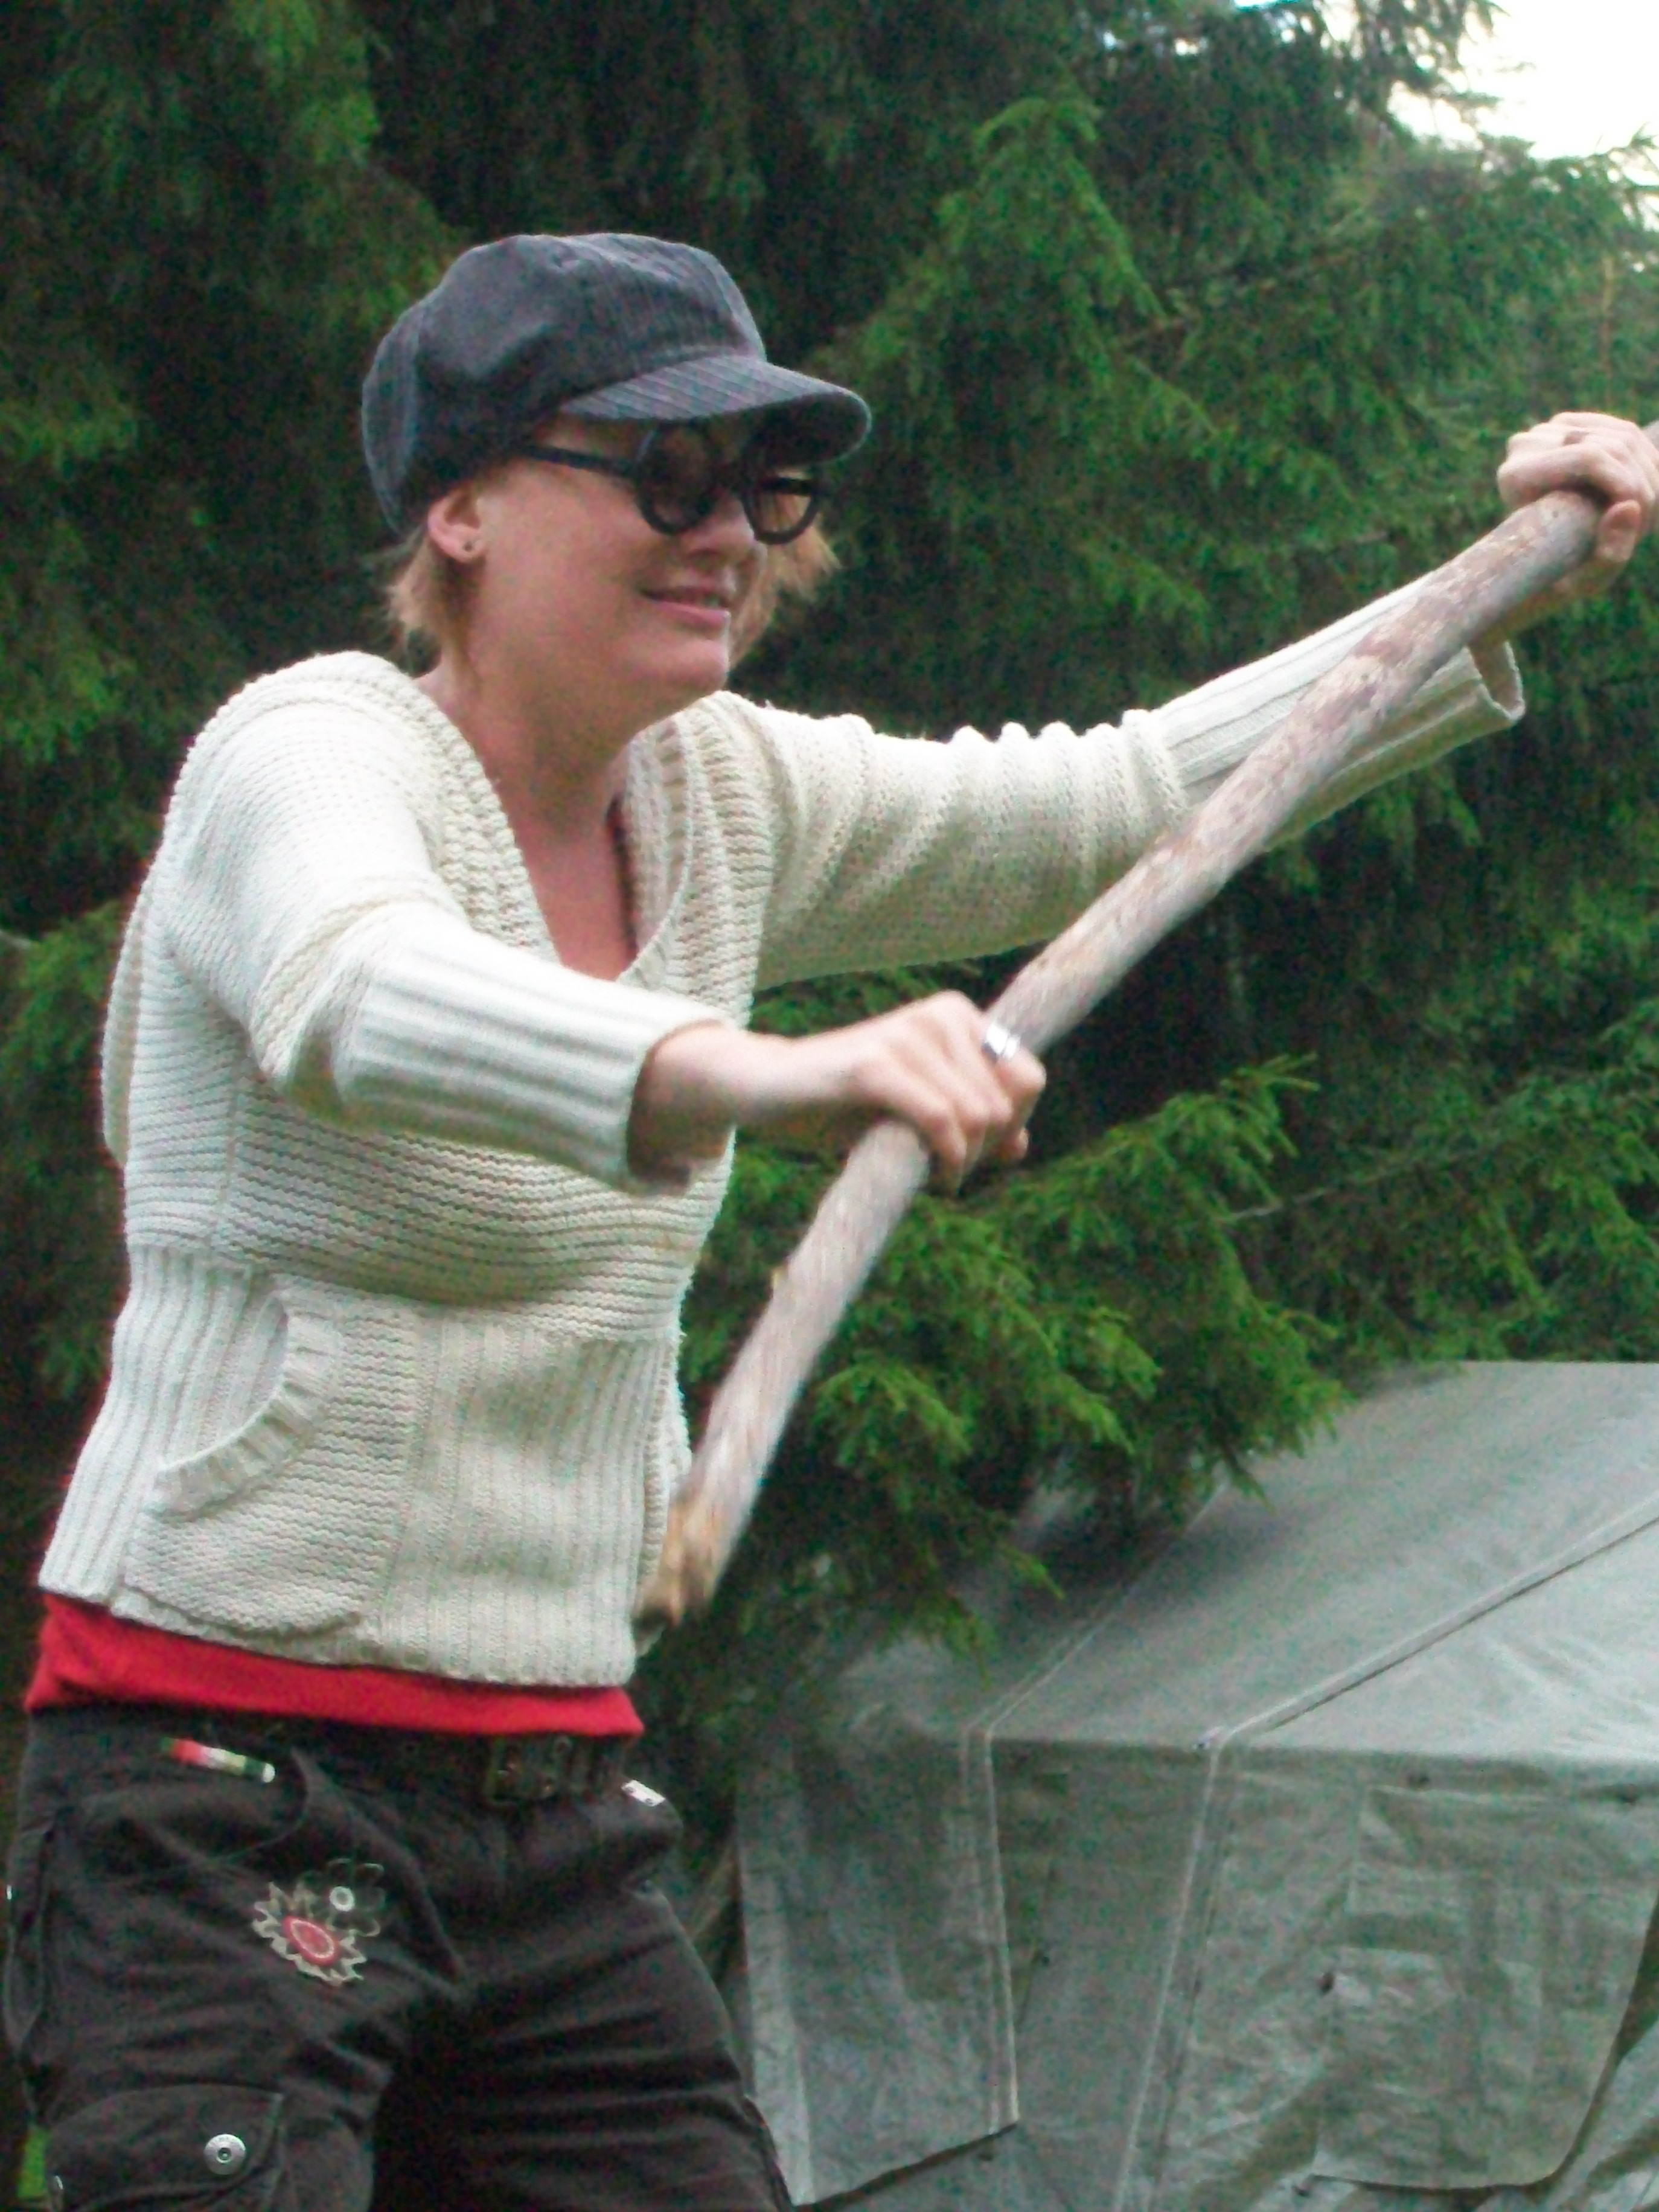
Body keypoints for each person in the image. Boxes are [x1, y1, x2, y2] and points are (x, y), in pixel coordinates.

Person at [5, 232, 1655, 2212]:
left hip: (550, 1802)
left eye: (761, 486)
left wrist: (1501, 580)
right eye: (662, 475)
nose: (725, 534)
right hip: (217, 1786)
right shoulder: (308, 754)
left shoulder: (720, 795)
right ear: (457, 506)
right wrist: (763, 1072)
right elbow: (355, 992)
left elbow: (1119, 798)